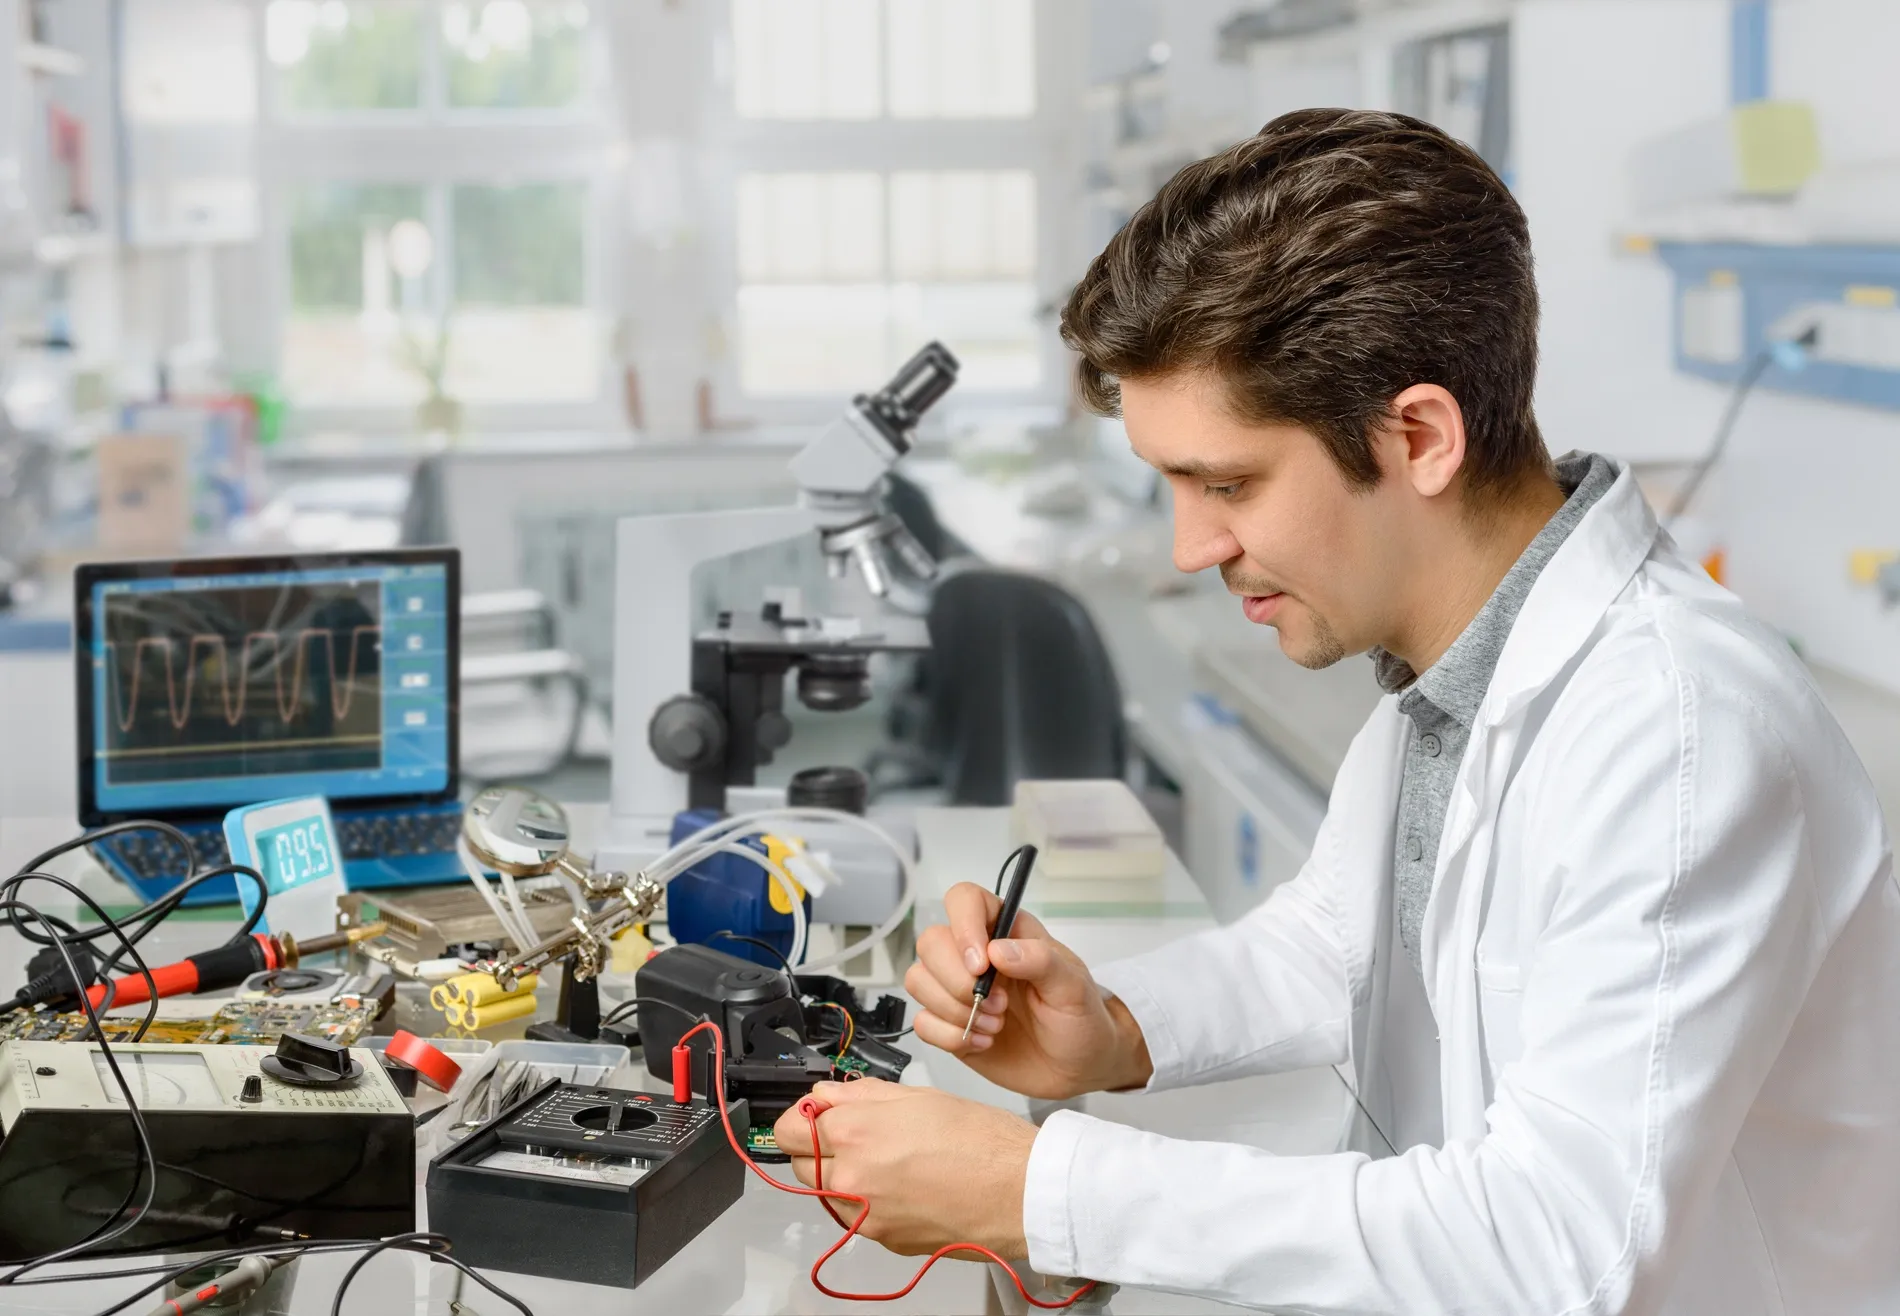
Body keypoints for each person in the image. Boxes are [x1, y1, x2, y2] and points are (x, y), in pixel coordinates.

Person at [771, 109, 1900, 1314]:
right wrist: (1116, 1026)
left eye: (1228, 482)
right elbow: (1338, 943)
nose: (1192, 543)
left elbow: (1561, 1248)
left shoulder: (1677, 734)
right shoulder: (1465, 652)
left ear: (1417, 436)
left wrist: (1037, 1185)